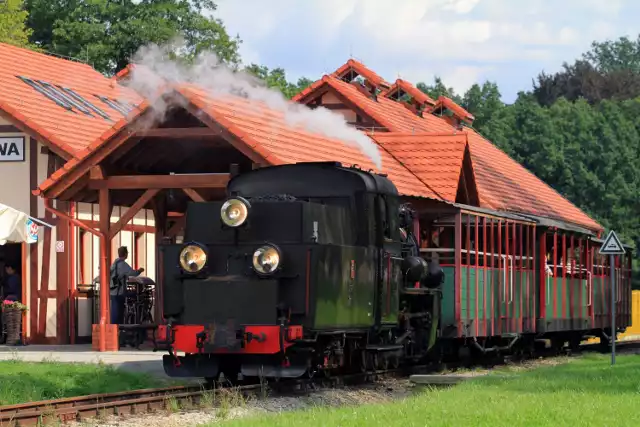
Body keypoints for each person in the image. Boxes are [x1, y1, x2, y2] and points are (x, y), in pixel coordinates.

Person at [110, 246, 143, 324]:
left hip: (113, 292)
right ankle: (131, 322)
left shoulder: (114, 264)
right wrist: (140, 270)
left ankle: (116, 329)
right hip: (120, 292)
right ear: (125, 254)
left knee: (115, 311)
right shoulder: (123, 264)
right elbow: (133, 273)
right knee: (136, 296)